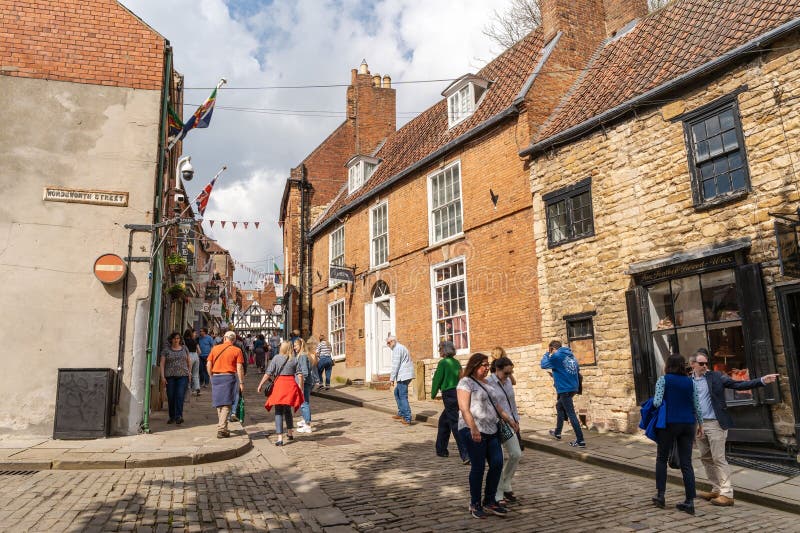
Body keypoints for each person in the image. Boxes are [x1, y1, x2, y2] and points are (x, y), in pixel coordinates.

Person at [689, 348, 779, 507]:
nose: (705, 366)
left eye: (706, 363)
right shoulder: (687, 381)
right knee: (705, 458)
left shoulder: (716, 377)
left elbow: (738, 384)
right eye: (701, 364)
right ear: (692, 364)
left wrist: (762, 380)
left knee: (718, 458)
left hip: (716, 423)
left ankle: (727, 493)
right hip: (698, 425)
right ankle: (716, 489)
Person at [457, 352, 519, 519]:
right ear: (475, 366)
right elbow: (464, 408)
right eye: (483, 365)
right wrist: (473, 428)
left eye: (487, 365)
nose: (486, 368)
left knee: (497, 463)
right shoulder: (466, 382)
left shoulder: (489, 384)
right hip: (473, 429)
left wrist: (510, 420)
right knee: (478, 467)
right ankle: (475, 503)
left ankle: (490, 501)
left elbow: (498, 407)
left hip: (492, 429)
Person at [652, 354, 703, 515]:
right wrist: (700, 424)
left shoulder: (663, 380)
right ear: (682, 365)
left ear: (668, 365)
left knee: (661, 459)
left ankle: (661, 496)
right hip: (688, 424)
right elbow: (697, 404)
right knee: (686, 463)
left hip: (669, 423)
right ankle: (689, 502)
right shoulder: (690, 382)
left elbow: (657, 402)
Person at [488, 356, 522, 505]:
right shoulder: (488, 383)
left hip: (509, 422)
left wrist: (516, 420)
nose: (509, 376)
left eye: (510, 372)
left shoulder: (507, 381)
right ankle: (498, 493)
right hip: (495, 423)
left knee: (516, 453)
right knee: (498, 460)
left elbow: (511, 402)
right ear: (497, 369)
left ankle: (506, 484)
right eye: (506, 373)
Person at [258, 341, 304, 446]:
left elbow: (268, 373)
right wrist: (300, 388)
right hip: (291, 386)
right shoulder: (294, 359)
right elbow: (300, 375)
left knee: (278, 411)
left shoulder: (276, 358)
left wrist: (260, 384)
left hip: (279, 386)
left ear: (281, 348)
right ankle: (290, 433)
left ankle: (280, 438)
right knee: (287, 409)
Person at [541, 340, 585, 447]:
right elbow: (574, 370)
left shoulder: (557, 356)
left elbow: (543, 364)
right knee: (559, 406)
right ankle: (557, 432)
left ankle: (580, 440)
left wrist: (547, 353)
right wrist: (556, 375)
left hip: (565, 390)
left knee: (571, 414)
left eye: (551, 350)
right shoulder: (571, 356)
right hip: (573, 388)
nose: (551, 353)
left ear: (553, 349)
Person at [431, 340, 468, 463]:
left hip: (449, 394)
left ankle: (465, 454)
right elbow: (462, 378)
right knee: (443, 421)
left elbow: (437, 379)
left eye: (440, 349)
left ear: (444, 350)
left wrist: (433, 393)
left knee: (455, 424)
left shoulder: (443, 363)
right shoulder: (456, 362)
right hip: (457, 392)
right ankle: (441, 449)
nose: (439, 351)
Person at [207, 331, 245, 438]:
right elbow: (239, 368)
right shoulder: (237, 350)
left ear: (224, 338)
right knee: (227, 404)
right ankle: (222, 428)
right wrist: (241, 382)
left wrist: (211, 376)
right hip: (229, 377)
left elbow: (208, 363)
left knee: (219, 403)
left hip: (216, 376)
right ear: (234, 340)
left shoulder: (215, 348)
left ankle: (223, 427)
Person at [160, 332, 191, 424]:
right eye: (174, 338)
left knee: (180, 396)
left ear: (180, 340)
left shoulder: (185, 348)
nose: (176, 340)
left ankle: (178, 416)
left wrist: (189, 373)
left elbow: (189, 361)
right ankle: (172, 416)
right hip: (170, 377)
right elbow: (162, 363)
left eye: (178, 338)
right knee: (171, 397)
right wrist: (162, 377)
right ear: (171, 339)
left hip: (183, 376)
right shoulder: (166, 350)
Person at [387, 334, 414, 425]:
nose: (388, 345)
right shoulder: (401, 347)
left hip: (403, 375)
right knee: (397, 392)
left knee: (402, 396)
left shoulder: (397, 349)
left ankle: (407, 417)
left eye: (388, 343)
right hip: (406, 374)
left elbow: (396, 365)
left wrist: (391, 379)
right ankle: (401, 412)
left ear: (392, 341)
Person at [295, 337, 318, 433]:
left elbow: (304, 372)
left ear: (300, 345)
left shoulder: (303, 356)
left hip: (304, 383)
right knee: (304, 402)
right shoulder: (302, 355)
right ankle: (305, 421)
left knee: (304, 403)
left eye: (295, 345)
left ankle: (307, 425)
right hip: (305, 383)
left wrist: (301, 386)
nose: (294, 348)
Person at [183, 328, 200, 397]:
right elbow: (199, 351)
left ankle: (188, 388)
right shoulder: (194, 341)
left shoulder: (184, 341)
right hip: (195, 356)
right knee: (195, 374)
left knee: (188, 372)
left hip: (188, 356)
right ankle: (197, 388)